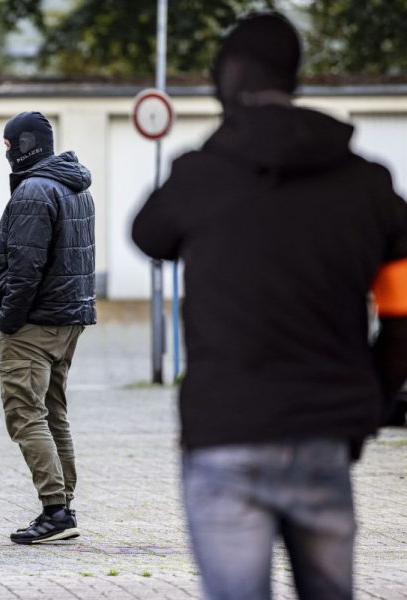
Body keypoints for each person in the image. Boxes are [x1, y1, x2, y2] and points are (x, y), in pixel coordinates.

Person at [132, 13, 407, 600]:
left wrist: (222, 146)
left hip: (225, 434)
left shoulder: (202, 176)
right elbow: (405, 313)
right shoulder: (368, 186)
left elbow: (148, 234)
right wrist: (374, 397)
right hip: (324, 435)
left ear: (226, 83)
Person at [0, 111, 97, 544]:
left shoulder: (32, 191)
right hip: (68, 320)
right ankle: (63, 504)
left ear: (23, 145)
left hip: (34, 323)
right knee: (54, 415)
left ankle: (55, 511)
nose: (6, 152)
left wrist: (7, 319)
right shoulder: (73, 186)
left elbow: (28, 269)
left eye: (8, 145)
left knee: (26, 416)